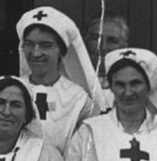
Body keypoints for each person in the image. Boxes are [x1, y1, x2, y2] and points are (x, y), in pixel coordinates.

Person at [16, 6, 101, 153]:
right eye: (29, 44)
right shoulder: (10, 89)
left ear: (61, 51)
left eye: (46, 45)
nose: (36, 53)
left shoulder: (79, 99)